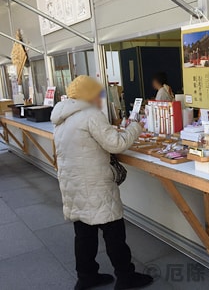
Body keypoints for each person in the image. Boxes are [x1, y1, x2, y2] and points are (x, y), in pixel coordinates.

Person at [50, 75, 153, 290]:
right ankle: (126, 277)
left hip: (73, 185)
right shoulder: (90, 115)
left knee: (83, 234)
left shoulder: (61, 118)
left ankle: (87, 277)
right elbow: (116, 144)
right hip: (94, 183)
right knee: (114, 232)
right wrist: (135, 126)